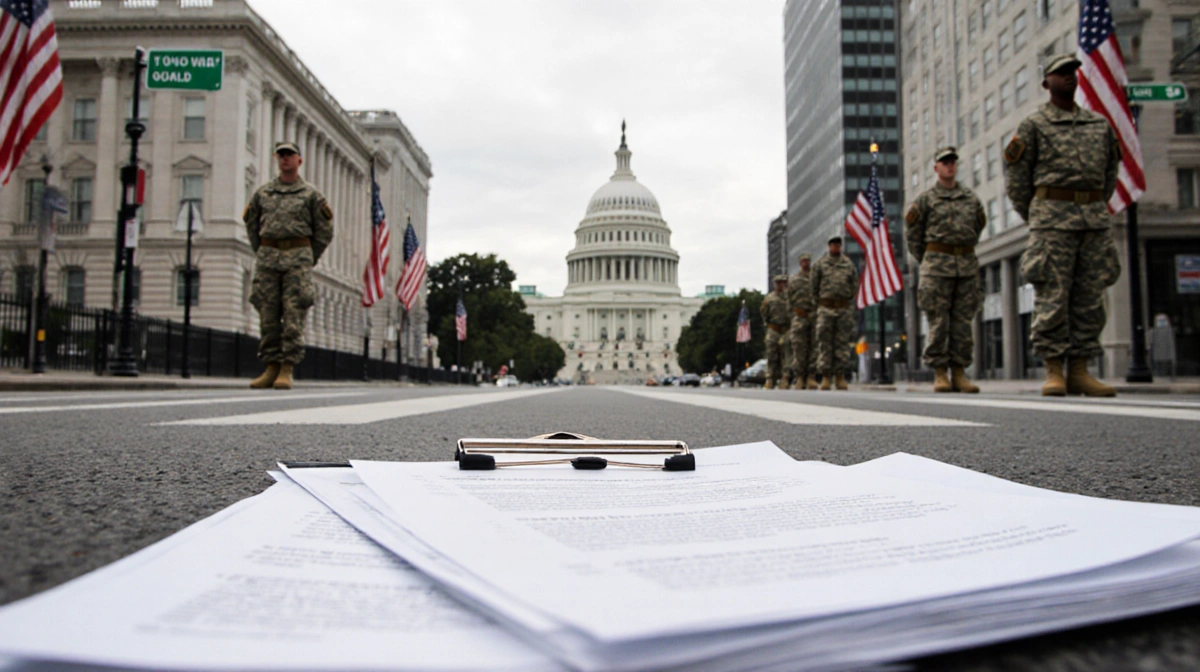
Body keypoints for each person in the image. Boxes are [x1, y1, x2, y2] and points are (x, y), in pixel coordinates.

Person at [1004, 53, 1123, 397]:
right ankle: (1054, 369)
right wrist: (1039, 215)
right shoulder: (1034, 125)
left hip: (1092, 220)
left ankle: (1081, 370)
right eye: (1060, 73)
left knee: (1089, 297)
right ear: (1046, 83)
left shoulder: (1099, 125)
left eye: (1073, 72)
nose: (1069, 77)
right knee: (1053, 296)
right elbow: (1018, 181)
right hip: (1051, 220)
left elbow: (1109, 176)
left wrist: (1093, 206)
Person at [243, 141, 335, 390]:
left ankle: (287, 368)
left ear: (299, 160)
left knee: (294, 314)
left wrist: (306, 256)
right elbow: (252, 226)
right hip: (268, 258)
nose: (285, 159)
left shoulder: (311, 195)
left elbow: (324, 231)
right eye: (281, 155)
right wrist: (263, 251)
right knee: (267, 314)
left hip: (298, 260)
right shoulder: (263, 194)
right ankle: (270, 366)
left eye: (290, 155)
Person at [905, 147, 986, 393]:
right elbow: (914, 236)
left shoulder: (970, 198)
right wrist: (930, 258)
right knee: (938, 321)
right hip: (936, 268)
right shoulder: (925, 200)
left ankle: (960, 372)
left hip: (965, 265)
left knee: (962, 322)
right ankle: (940, 372)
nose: (949, 166)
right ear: (936, 168)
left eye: (952, 162)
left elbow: (978, 225)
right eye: (944, 162)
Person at [812, 236, 858, 390]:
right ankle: (826, 377)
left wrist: (847, 299)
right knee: (825, 342)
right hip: (826, 308)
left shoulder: (848, 264)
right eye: (833, 245)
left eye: (838, 245)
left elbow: (854, 284)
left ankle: (840, 376)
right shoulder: (820, 264)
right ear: (829, 246)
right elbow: (814, 287)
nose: (836, 247)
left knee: (842, 343)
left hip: (843, 308)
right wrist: (820, 303)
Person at [786, 253, 817, 390]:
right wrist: (792, 317)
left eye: (807, 261)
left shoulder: (816, 278)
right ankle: (799, 377)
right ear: (800, 263)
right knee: (799, 347)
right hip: (799, 317)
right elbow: (789, 300)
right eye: (803, 261)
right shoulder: (794, 280)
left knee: (814, 347)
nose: (806, 263)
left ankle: (811, 376)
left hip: (814, 316)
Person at [760, 275, 792, 390]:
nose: (780, 285)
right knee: (771, 354)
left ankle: (785, 378)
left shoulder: (790, 298)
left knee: (786, 354)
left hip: (786, 329)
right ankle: (770, 378)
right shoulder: (769, 299)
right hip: (773, 329)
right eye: (778, 282)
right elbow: (764, 314)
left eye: (783, 282)